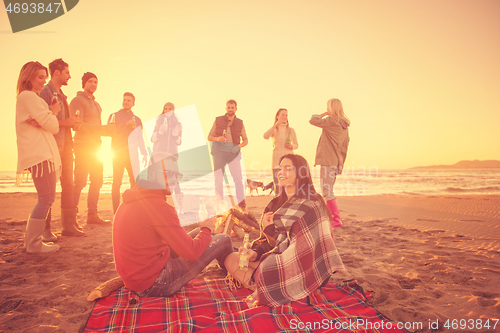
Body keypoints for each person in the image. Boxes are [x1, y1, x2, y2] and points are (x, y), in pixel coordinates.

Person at [224, 154, 344, 307]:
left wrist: (268, 230)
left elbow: (304, 247)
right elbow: (270, 244)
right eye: (280, 168)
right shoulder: (275, 204)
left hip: (306, 267)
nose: (281, 172)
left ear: (300, 173)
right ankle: (267, 289)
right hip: (278, 262)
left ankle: (272, 290)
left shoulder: (313, 203)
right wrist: (255, 253)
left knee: (266, 269)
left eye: (288, 169)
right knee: (231, 259)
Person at [112, 159, 234, 297]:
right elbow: (192, 253)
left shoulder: (132, 200)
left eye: (177, 175)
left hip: (136, 277)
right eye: (168, 174)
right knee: (223, 239)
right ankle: (232, 269)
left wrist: (203, 232)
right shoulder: (158, 206)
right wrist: (206, 229)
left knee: (196, 234)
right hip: (155, 283)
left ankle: (230, 263)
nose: (175, 180)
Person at [15, 61, 62, 253]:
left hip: (40, 155)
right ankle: (34, 244)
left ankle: (30, 242)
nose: (44, 81)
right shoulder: (29, 97)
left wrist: (45, 119)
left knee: (45, 197)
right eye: (40, 77)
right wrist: (53, 113)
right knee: (46, 198)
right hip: (41, 156)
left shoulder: (29, 98)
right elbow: (54, 126)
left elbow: (47, 124)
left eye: (45, 77)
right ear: (28, 78)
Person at [39, 58, 84, 239]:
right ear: (56, 72)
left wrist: (72, 124)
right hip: (52, 146)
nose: (69, 76)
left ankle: (68, 226)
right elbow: (43, 122)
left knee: (69, 186)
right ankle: (45, 230)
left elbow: (61, 123)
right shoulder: (45, 93)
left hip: (66, 146)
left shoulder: (62, 95)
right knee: (49, 189)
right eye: (67, 72)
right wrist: (67, 122)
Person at [69, 72, 114, 225]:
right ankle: (71, 215)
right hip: (82, 146)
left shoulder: (97, 105)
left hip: (96, 147)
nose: (93, 84)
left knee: (97, 181)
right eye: (90, 81)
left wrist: (106, 131)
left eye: (95, 82)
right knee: (80, 182)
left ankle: (92, 215)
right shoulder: (77, 101)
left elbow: (96, 128)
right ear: (84, 83)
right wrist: (100, 128)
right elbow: (77, 124)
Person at [309, 98, 350, 227]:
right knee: (329, 190)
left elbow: (313, 120)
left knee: (327, 191)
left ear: (331, 108)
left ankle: (336, 220)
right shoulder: (344, 126)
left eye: (328, 107)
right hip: (335, 161)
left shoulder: (332, 121)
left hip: (327, 160)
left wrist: (324, 114)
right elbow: (345, 147)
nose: (327, 109)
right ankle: (331, 218)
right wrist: (340, 164)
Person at [108, 92, 148, 213]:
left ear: (133, 103)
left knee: (135, 183)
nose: (125, 102)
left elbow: (140, 138)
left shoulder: (138, 120)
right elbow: (110, 132)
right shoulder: (114, 115)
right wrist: (126, 125)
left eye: (128, 100)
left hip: (133, 155)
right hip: (118, 154)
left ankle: (133, 209)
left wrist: (144, 152)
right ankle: (115, 211)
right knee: (117, 182)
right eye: (124, 100)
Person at [207, 99, 248, 210]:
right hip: (219, 152)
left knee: (238, 180)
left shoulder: (240, 123)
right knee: (218, 180)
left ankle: (241, 205)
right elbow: (209, 137)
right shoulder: (218, 120)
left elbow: (245, 140)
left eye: (232, 107)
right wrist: (217, 138)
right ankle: (219, 204)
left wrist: (237, 147)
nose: (230, 109)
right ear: (226, 108)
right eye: (228, 107)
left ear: (236, 109)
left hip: (233, 153)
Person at [150, 102, 183, 213]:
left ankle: (180, 206)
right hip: (160, 154)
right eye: (165, 109)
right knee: (158, 178)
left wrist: (175, 135)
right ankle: (156, 204)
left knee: (175, 179)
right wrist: (160, 132)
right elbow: (152, 139)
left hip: (172, 155)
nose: (167, 111)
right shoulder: (159, 122)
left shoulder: (178, 124)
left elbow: (179, 142)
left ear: (173, 110)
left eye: (170, 109)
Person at [263, 108, 298, 197]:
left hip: (289, 161)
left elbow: (296, 144)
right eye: (283, 115)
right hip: (276, 161)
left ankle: (289, 203)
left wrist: (291, 146)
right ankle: (278, 205)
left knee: (289, 184)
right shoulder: (274, 130)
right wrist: (275, 125)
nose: (285, 117)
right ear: (277, 116)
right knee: (278, 185)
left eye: (286, 115)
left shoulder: (291, 130)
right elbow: (265, 136)